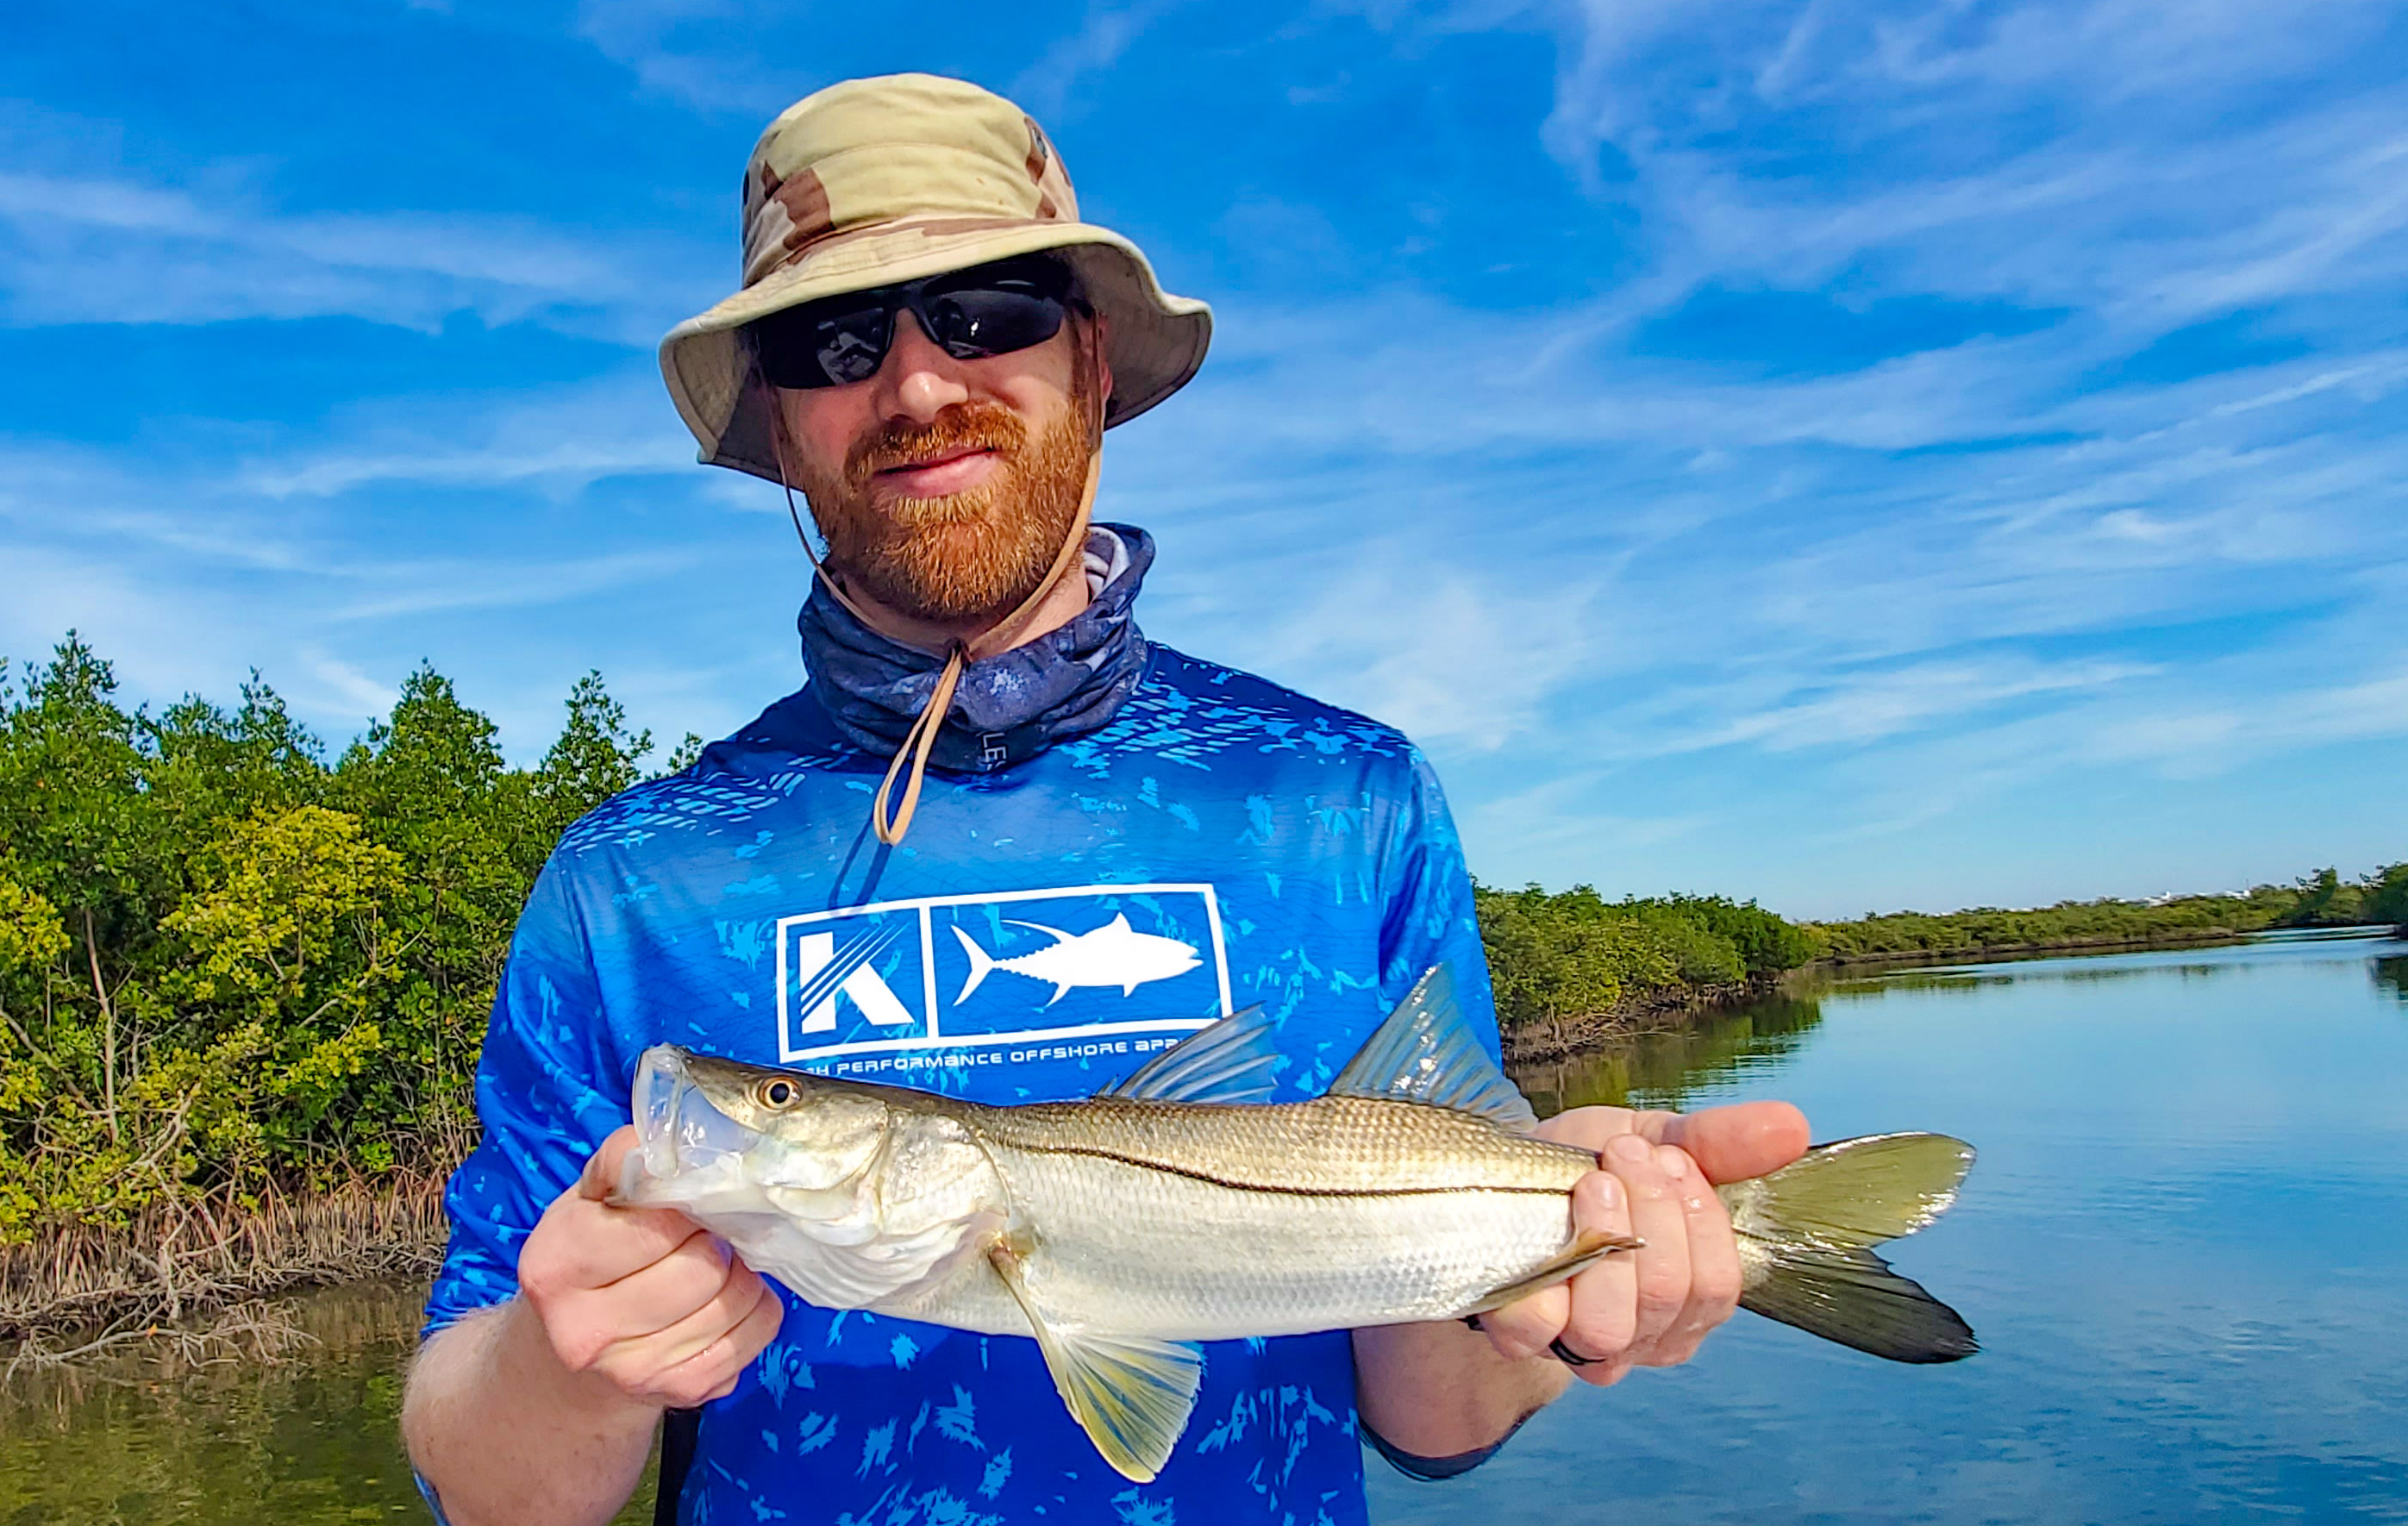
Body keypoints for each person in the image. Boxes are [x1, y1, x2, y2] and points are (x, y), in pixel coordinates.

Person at [399, 72, 1811, 1525]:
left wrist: (1560, 1283)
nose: (920, 386)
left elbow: (1435, 1418)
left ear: (1092, 357)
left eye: (988, 309)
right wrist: (570, 1373)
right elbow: (481, 1474)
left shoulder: (1342, 794)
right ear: (779, 417)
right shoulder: (630, 878)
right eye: (834, 339)